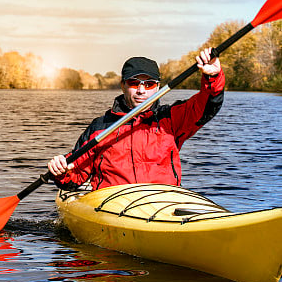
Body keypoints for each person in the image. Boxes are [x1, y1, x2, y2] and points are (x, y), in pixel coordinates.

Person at [47, 49, 225, 190]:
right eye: (134, 83)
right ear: (123, 85)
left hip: (163, 204)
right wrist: (61, 171)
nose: (141, 91)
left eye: (149, 84)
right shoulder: (100, 127)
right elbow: (75, 176)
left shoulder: (171, 118)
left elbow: (207, 105)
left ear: (157, 87)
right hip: (113, 207)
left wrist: (213, 76)